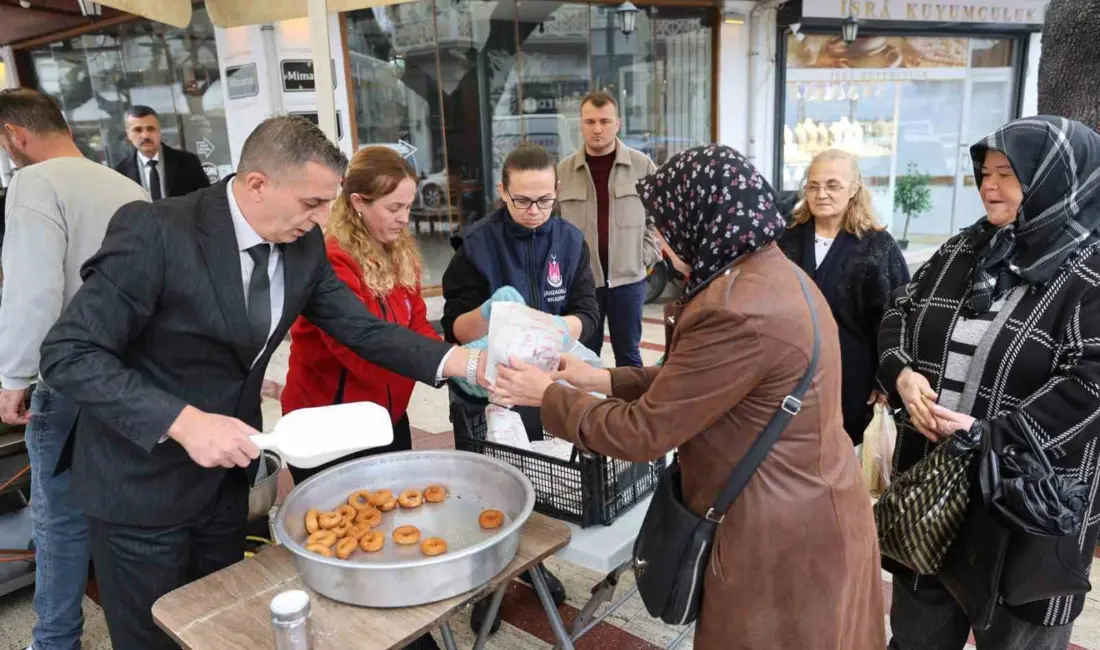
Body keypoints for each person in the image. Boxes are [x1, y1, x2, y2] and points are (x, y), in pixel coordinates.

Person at [38, 116, 486, 650]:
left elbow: (362, 329)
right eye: (313, 203)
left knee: (226, 628)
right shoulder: (156, 230)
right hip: (140, 486)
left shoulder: (303, 247)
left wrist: (463, 364)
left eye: (329, 202)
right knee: (152, 639)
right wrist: (181, 421)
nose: (324, 218)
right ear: (258, 184)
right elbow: (69, 351)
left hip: (227, 486)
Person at [490, 144, 886, 650]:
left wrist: (546, 396)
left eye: (665, 225)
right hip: (806, 504)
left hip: (779, 531)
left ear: (701, 221)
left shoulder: (737, 309)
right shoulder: (767, 272)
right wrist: (603, 380)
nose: (659, 241)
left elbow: (643, 432)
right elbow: (702, 382)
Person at [878, 116, 1100, 649]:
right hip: (934, 493)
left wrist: (991, 433)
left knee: (1018, 635)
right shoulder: (965, 248)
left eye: (1008, 173)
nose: (989, 186)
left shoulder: (1088, 272)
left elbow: (1091, 383)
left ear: (1051, 180)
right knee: (917, 635)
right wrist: (900, 373)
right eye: (984, 173)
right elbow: (900, 311)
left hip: (1025, 504)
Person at [0, 88, 148, 650]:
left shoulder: (35, 183)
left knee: (58, 518)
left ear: (16, 134)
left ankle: (56, 641)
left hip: (69, 373)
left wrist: (13, 377)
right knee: (121, 512)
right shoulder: (124, 183)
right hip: (132, 373)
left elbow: (35, 290)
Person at [440, 141, 598, 632]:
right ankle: (490, 587)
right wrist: (490, 315)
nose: (534, 211)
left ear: (557, 192)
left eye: (544, 200)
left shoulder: (571, 243)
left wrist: (555, 330)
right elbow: (453, 329)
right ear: (503, 193)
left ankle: (534, 565)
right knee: (490, 495)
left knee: (541, 483)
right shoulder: (477, 246)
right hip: (485, 391)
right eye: (522, 200)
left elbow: (590, 315)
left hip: (545, 385)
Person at [281, 146, 438, 478]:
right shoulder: (333, 262)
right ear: (358, 203)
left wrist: (449, 363)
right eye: (393, 207)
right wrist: (443, 363)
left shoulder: (398, 249)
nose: (404, 218)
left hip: (386, 416)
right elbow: (364, 354)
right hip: (329, 427)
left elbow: (417, 321)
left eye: (408, 207)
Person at [779, 149, 909, 444]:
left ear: (854, 189)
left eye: (832, 185)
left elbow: (897, 316)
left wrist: (884, 378)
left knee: (838, 453)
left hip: (850, 378)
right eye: (813, 185)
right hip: (787, 373)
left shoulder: (877, 246)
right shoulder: (787, 239)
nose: (821, 193)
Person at [557, 91, 660, 367]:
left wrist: (644, 256)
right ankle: (588, 411)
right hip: (581, 285)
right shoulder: (563, 172)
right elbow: (553, 228)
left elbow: (660, 220)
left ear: (618, 124)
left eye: (604, 121)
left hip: (628, 282)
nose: (597, 129)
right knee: (584, 359)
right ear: (580, 124)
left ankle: (631, 411)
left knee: (629, 356)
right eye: (590, 122)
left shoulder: (642, 166)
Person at [113, 105, 210, 199]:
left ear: (159, 131)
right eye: (138, 130)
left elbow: (206, 199)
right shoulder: (121, 173)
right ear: (128, 134)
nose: (145, 136)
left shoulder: (188, 162)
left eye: (150, 129)